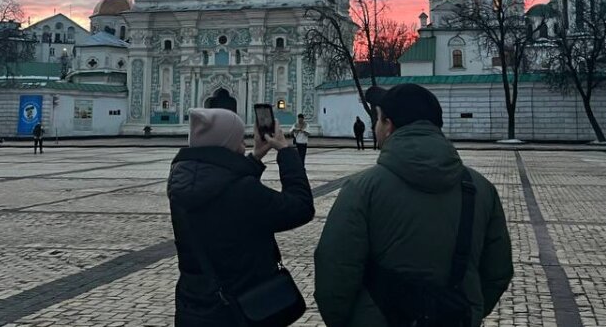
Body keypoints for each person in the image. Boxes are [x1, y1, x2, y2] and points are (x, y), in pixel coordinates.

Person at [315, 84, 513, 327]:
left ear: (388, 125)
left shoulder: (362, 190)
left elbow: (335, 273)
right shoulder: (480, 189)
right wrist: (465, 311)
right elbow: (497, 272)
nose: (375, 126)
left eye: (377, 119)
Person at [168, 108, 314, 326]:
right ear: (228, 143)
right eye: (239, 139)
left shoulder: (181, 183)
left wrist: (255, 158)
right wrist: (285, 151)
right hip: (240, 309)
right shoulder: (243, 192)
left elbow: (222, 187)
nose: (243, 144)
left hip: (195, 307)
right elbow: (300, 207)